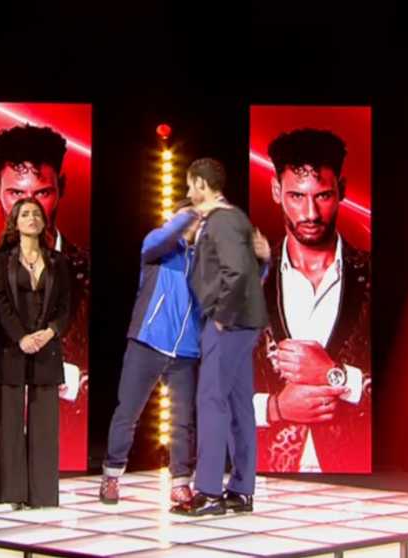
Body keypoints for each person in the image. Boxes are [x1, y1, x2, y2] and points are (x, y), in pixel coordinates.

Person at [100, 199, 271, 505]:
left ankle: (180, 482)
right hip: (147, 342)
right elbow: (163, 237)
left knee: (182, 422)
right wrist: (191, 213)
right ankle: (111, 476)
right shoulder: (158, 249)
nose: (195, 223)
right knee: (128, 413)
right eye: (190, 217)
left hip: (187, 353)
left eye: (199, 219)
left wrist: (264, 262)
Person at [0, 123, 90, 470]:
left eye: (42, 193)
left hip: (66, 444)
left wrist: (69, 381)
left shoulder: (86, 270)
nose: (29, 208)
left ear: (61, 188)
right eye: (16, 194)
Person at [253, 128, 370, 473]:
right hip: (268, 476)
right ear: (276, 191)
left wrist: (335, 376)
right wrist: (275, 408)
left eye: (322, 196)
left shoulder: (372, 277)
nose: (310, 213)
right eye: (296, 196)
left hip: (358, 476)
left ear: (341, 191)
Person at [172, 158, 267, 516]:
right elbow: (250, 265)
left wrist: (222, 316)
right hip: (243, 323)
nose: (188, 191)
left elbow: (237, 271)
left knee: (211, 400)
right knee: (239, 404)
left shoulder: (222, 219)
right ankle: (241, 490)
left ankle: (210, 492)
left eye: (190, 184)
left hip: (229, 323)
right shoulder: (233, 218)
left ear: (201, 183)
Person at [0, 198, 71, 508]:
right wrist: (21, 337)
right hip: (12, 347)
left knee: (45, 421)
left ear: (44, 222)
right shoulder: (1, 261)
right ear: (15, 222)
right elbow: (0, 304)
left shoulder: (58, 262)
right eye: (25, 214)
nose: (32, 218)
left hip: (46, 346)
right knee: (9, 420)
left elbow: (66, 306)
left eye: (37, 213)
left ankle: (42, 494)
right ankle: (11, 493)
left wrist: (50, 332)